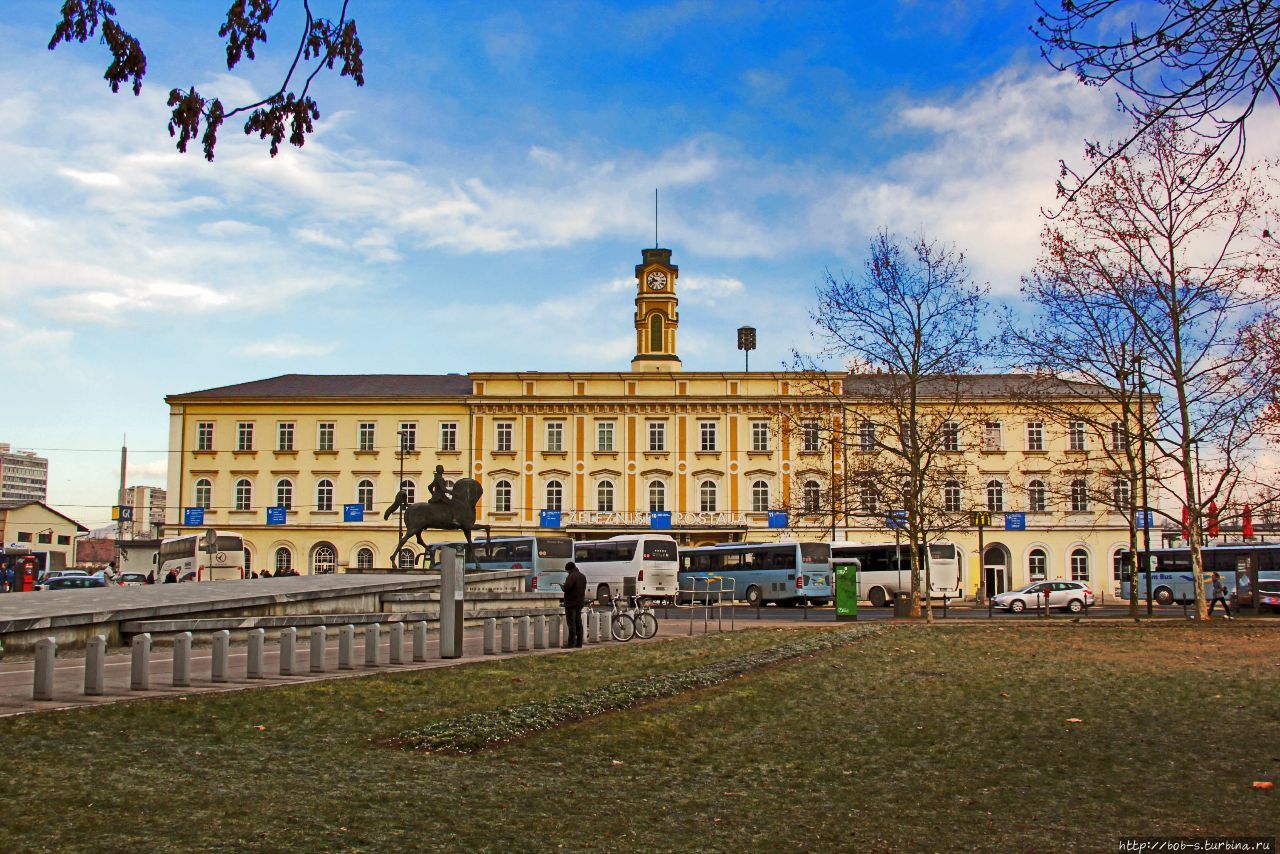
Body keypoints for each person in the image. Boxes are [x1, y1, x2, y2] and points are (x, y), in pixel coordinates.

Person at [560, 561, 586, 648]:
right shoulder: (582, 576)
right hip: (580, 602)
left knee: (571, 624)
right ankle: (579, 643)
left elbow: (566, 588)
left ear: (569, 569)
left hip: (571, 603)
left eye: (567, 571)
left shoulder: (571, 576)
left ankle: (571, 643)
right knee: (578, 622)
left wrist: (562, 586)